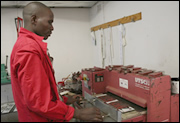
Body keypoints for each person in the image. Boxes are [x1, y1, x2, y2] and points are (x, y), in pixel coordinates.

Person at [10, 2, 103, 122]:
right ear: (34, 19)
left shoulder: (31, 46)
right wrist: (77, 113)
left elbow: (41, 92)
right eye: (49, 22)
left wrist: (63, 100)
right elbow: (38, 102)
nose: (52, 27)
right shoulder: (28, 50)